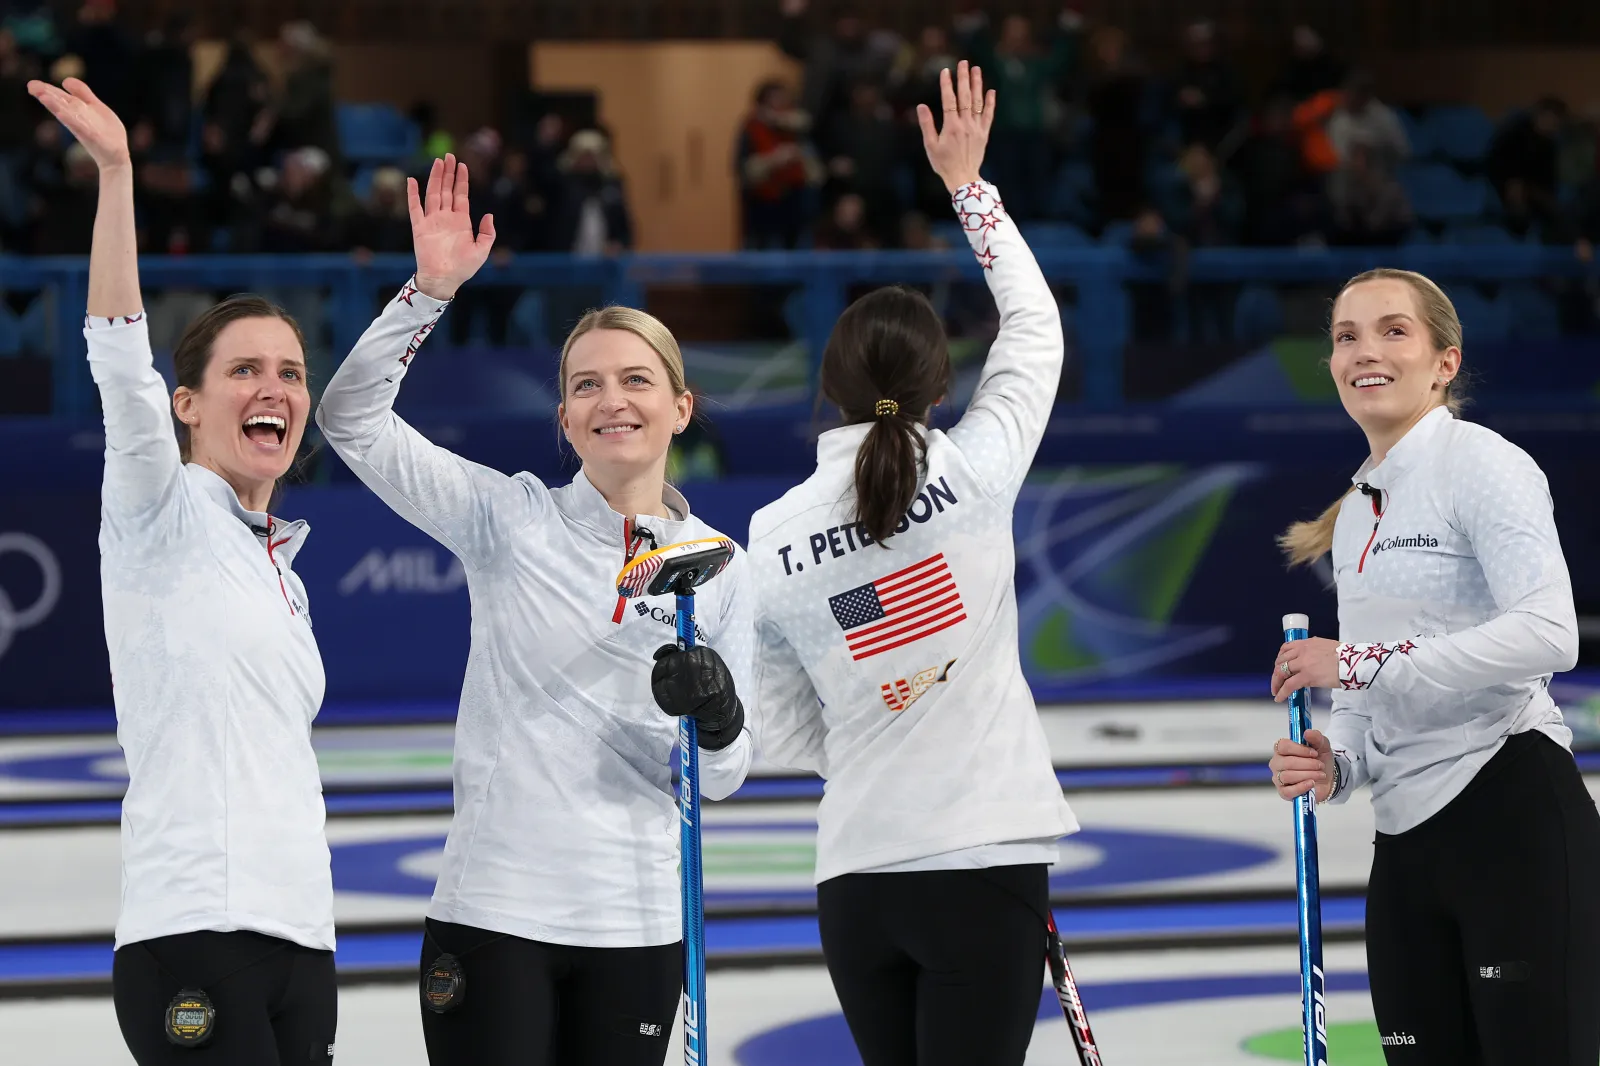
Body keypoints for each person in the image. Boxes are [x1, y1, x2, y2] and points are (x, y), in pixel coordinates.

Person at [315, 154, 754, 1066]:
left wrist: (718, 715)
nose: (611, 401)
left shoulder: (721, 567)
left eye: (635, 381)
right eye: (586, 385)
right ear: (563, 418)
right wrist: (429, 293)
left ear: (681, 407)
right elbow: (351, 420)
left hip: (638, 922)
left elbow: (722, 779)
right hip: (497, 913)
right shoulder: (509, 517)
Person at [746, 62, 1076, 1066]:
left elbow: (779, 719)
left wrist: (874, 724)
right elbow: (1034, 327)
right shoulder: (975, 471)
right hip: (981, 858)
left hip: (854, 874)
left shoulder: (772, 531)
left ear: (830, 386)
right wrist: (969, 191)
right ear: (940, 384)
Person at [27, 78, 336, 1064]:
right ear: (189, 406)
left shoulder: (286, 569)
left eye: (290, 372)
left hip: (306, 937)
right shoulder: (160, 510)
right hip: (191, 929)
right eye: (246, 370)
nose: (274, 389)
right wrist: (117, 175)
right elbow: (120, 358)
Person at [1268, 268, 1600, 1065]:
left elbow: (1552, 633)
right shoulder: (1355, 513)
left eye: (1392, 331)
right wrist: (1335, 763)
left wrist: (1358, 661)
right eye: (1346, 336)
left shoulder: (1484, 464)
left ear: (1444, 362)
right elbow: (1358, 698)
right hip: (1406, 849)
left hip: (1509, 817)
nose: (1363, 352)